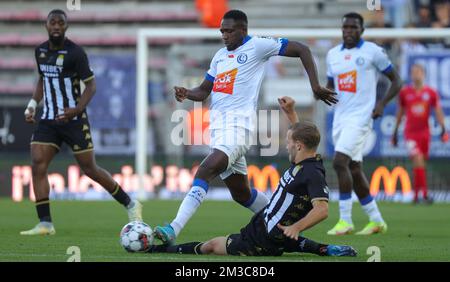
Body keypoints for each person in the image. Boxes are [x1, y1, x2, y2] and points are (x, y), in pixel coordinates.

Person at [154, 9, 337, 245]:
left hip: (239, 129)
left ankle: (173, 229)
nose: (224, 35)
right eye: (222, 31)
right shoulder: (220, 56)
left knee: (205, 170)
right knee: (241, 194)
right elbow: (203, 91)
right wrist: (187, 93)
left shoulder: (258, 46)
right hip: (219, 131)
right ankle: (284, 230)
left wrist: (315, 85)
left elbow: (302, 49)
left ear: (243, 30)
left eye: (229, 31)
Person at [147, 97, 356, 257]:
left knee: (211, 245)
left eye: (289, 141)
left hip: (261, 239)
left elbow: (322, 209)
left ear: (299, 146)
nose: (286, 144)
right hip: (273, 230)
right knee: (287, 239)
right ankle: (326, 249)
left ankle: (157, 251)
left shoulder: (311, 173)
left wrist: (297, 227)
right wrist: (291, 113)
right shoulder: (306, 161)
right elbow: (299, 134)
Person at [21, 10, 142, 236]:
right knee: (37, 163)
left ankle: (130, 203)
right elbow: (42, 81)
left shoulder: (75, 53)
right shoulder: (40, 52)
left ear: (66, 27)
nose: (56, 26)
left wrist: (75, 110)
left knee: (90, 169)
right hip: (48, 118)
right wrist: (31, 104)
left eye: (61, 23)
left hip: (73, 119)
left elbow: (91, 86)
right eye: (52, 22)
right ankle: (45, 223)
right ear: (46, 26)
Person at [325, 12, 403, 235]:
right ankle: (376, 220)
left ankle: (345, 220)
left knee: (339, 162)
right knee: (354, 169)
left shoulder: (372, 52)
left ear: (362, 30)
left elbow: (397, 80)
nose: (348, 31)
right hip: (340, 118)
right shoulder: (332, 55)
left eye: (353, 27)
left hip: (361, 117)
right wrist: (323, 92)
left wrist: (382, 103)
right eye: (345, 28)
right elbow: (332, 85)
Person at [392, 64, 448, 204]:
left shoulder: (431, 92)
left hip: (425, 133)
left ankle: (417, 195)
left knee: (421, 164)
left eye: (418, 72)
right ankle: (424, 194)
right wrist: (395, 132)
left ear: (424, 74)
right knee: (417, 159)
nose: (416, 75)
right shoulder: (405, 92)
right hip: (410, 133)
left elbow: (438, 111)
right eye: (413, 72)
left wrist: (443, 129)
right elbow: (400, 112)